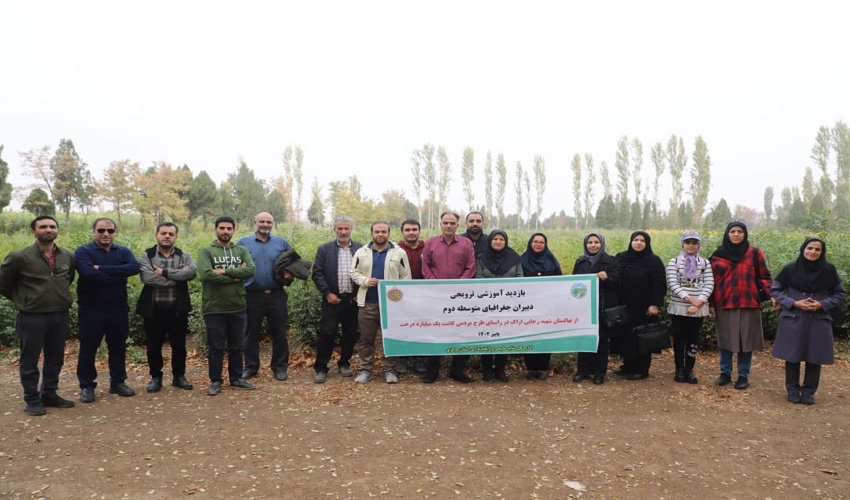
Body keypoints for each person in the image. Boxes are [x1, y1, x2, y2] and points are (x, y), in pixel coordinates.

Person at [0, 216, 76, 416]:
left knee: (55, 357)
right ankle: (32, 399)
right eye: (43, 227)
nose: (48, 230)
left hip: (59, 314)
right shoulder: (19, 257)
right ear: (33, 231)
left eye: (52, 226)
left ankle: (49, 393)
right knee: (30, 359)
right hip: (31, 317)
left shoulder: (67, 256)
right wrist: (24, 299)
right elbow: (4, 284)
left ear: (57, 230)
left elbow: (68, 280)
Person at [771, 237, 845, 405]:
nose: (813, 252)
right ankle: (792, 389)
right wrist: (793, 302)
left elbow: (839, 294)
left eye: (817, 249)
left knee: (815, 355)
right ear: (803, 249)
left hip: (818, 319)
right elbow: (775, 289)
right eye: (809, 248)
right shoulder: (790, 269)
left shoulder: (828, 270)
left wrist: (822, 304)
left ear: (822, 252)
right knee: (792, 355)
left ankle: (809, 391)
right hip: (794, 318)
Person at [75, 218, 140, 403]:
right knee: (88, 349)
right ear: (93, 231)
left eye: (110, 231)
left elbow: (134, 268)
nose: (106, 234)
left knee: (118, 347)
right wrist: (118, 272)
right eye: (101, 230)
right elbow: (88, 274)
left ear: (114, 232)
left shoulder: (123, 251)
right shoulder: (83, 252)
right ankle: (87, 386)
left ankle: (118, 382)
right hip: (91, 309)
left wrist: (101, 269)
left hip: (118, 308)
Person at [709, 221, 774, 390]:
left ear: (745, 234)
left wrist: (772, 294)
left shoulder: (754, 253)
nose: (736, 234)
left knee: (747, 341)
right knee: (725, 339)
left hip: (749, 302)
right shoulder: (717, 254)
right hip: (724, 302)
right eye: (732, 231)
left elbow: (765, 276)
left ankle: (743, 375)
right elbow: (710, 281)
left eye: (739, 231)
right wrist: (709, 302)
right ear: (727, 234)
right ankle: (725, 373)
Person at [197, 215, 256, 395]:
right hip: (214, 308)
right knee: (216, 347)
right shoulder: (206, 251)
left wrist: (225, 271)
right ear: (215, 230)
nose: (225, 231)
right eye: (222, 228)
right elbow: (206, 275)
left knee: (237, 345)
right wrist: (236, 277)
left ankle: (236, 378)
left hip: (238, 306)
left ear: (233, 231)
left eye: (229, 228)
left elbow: (251, 270)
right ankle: (215, 381)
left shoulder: (241, 250)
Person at [136, 222, 197, 393]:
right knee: (153, 345)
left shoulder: (185, 255)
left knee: (179, 345)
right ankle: (156, 377)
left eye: (171, 234)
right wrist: (178, 276)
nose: (167, 236)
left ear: (176, 237)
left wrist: (163, 272)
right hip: (153, 309)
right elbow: (148, 279)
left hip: (177, 308)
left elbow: (191, 273)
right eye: (163, 233)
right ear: (156, 235)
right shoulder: (146, 256)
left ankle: (179, 376)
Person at [351, 221, 412, 384]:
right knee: (366, 339)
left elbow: (406, 276)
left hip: (391, 305)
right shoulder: (361, 252)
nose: (380, 234)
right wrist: (365, 280)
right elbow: (353, 272)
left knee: (391, 337)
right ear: (372, 233)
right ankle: (365, 370)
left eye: (383, 232)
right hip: (368, 302)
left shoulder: (399, 253)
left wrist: (398, 294)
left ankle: (390, 370)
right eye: (377, 232)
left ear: (389, 233)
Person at [421, 211, 477, 383]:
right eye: (445, 223)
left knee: (460, 331)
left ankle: (457, 370)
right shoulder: (430, 243)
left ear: (457, 225)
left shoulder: (466, 244)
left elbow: (471, 267)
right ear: (440, 224)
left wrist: (458, 286)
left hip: (460, 297)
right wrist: (436, 285)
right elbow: (426, 267)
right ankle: (432, 370)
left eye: (452, 223)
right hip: (436, 296)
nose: (449, 226)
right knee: (435, 331)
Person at [238, 212, 294, 381]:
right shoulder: (243, 243)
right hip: (251, 295)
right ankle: (251, 367)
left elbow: (293, 263)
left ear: (273, 223)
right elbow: (235, 265)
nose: (265, 224)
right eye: (262, 221)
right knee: (250, 333)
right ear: (255, 222)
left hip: (276, 295)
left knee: (279, 333)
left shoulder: (281, 242)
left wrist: (290, 274)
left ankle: (279, 367)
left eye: (268, 222)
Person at [311, 215, 364, 383]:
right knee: (327, 333)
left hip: (352, 300)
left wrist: (359, 294)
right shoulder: (324, 249)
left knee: (350, 334)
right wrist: (327, 293)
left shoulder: (361, 249)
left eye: (346, 228)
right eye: (339, 228)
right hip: (331, 299)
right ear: (334, 230)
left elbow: (366, 272)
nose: (343, 231)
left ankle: (344, 363)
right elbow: (317, 273)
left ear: (351, 229)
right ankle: (321, 368)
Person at [615, 231, 666, 381]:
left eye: (642, 241)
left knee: (642, 336)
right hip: (624, 304)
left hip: (644, 306)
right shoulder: (621, 258)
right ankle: (627, 366)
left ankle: (641, 369)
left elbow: (660, 284)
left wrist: (655, 304)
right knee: (626, 335)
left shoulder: (653, 261)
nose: (638, 243)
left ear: (647, 243)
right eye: (636, 240)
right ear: (631, 242)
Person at [666, 230, 714, 384]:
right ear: (683, 244)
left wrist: (699, 302)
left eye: (694, 243)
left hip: (698, 308)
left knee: (693, 338)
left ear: (699, 245)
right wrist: (689, 299)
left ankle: (690, 369)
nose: (691, 246)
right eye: (688, 242)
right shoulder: (674, 262)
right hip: (679, 306)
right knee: (679, 338)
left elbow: (709, 283)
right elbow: (672, 283)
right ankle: (679, 368)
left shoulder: (705, 263)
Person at [572, 233, 620, 385]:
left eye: (596, 242)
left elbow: (618, 282)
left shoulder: (610, 261)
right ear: (585, 244)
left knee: (602, 340)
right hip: (584, 307)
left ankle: (599, 372)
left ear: (602, 244)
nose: (593, 245)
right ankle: (583, 370)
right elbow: (573, 283)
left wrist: (608, 278)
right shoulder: (580, 261)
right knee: (584, 338)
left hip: (602, 307)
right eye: (590, 242)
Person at [476, 229, 523, 382]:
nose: (498, 242)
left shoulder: (514, 257)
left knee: (504, 336)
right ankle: (488, 370)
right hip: (485, 304)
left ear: (506, 241)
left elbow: (520, 277)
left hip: (509, 305)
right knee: (487, 336)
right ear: (490, 241)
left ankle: (501, 370)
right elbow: (478, 277)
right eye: (495, 239)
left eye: (501, 239)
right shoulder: (481, 258)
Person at [520, 232, 562, 380]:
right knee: (529, 335)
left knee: (545, 335)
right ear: (530, 243)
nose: (538, 244)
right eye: (535, 242)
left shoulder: (552, 262)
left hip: (547, 307)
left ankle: (542, 368)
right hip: (527, 306)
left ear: (545, 245)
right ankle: (530, 368)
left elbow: (560, 282)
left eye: (541, 242)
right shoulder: (522, 261)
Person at [396, 218, 426, 374]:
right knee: (403, 326)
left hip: (424, 295)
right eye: (407, 230)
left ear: (419, 231)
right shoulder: (395, 249)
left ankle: (420, 358)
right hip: (402, 296)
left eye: (414, 229)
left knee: (421, 326)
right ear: (402, 232)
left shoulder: (427, 248)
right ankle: (402, 358)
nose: (411, 232)